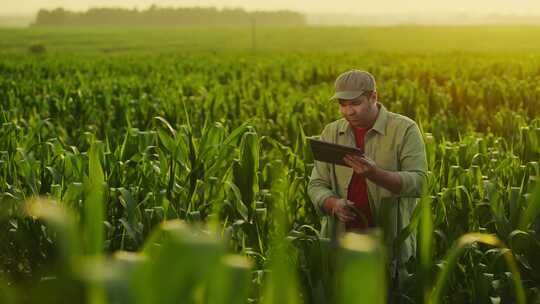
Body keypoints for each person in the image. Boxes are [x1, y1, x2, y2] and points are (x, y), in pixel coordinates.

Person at [307, 70, 427, 291]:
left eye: (355, 103)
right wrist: (333, 204)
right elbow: (316, 185)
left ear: (374, 97)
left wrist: (375, 174)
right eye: (342, 104)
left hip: (389, 246)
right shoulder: (331, 132)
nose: (348, 111)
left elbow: (420, 182)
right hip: (342, 244)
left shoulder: (404, 129)